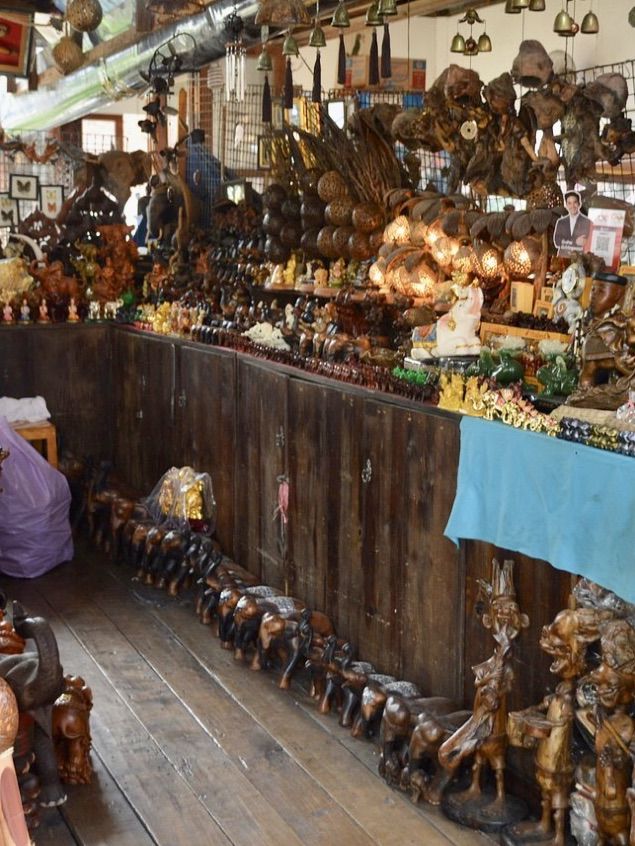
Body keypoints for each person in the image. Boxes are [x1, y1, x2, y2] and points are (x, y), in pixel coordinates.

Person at [553, 190, 592, 257]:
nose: (572, 206)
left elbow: (591, 242)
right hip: (563, 258)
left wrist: (586, 242)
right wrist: (575, 242)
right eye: (569, 203)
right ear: (566, 205)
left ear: (579, 204)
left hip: (580, 258)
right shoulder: (561, 222)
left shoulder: (587, 222)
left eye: (575, 202)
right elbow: (557, 241)